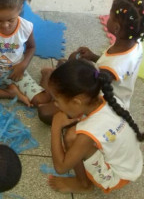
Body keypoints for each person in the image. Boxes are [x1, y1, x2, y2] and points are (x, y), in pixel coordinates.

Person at [39, 0, 144, 124]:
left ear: (116, 28)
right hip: (112, 92)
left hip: (100, 104)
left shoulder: (111, 68)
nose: (108, 19)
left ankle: (50, 91)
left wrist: (76, 63)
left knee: (44, 112)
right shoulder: (134, 43)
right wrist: (93, 57)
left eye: (110, 17)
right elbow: (113, 64)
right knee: (63, 65)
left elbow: (88, 88)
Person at [48, 59, 143, 194]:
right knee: (77, 134)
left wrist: (55, 127)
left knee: (70, 137)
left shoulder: (88, 132)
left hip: (116, 176)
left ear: (76, 102)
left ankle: (83, 185)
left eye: (57, 101)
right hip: (132, 162)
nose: (55, 105)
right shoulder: (108, 97)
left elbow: (61, 167)